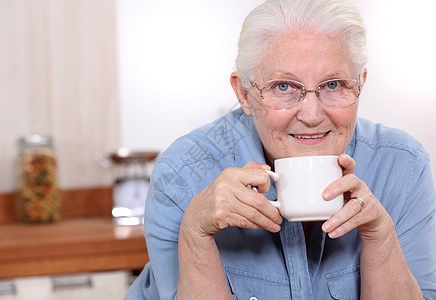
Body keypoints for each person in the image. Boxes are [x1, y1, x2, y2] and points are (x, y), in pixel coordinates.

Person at [125, 0, 436, 298]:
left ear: (360, 84)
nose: (312, 116)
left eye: (333, 84)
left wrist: (379, 236)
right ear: (244, 94)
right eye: (283, 87)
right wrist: (195, 235)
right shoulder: (183, 174)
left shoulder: (402, 166)